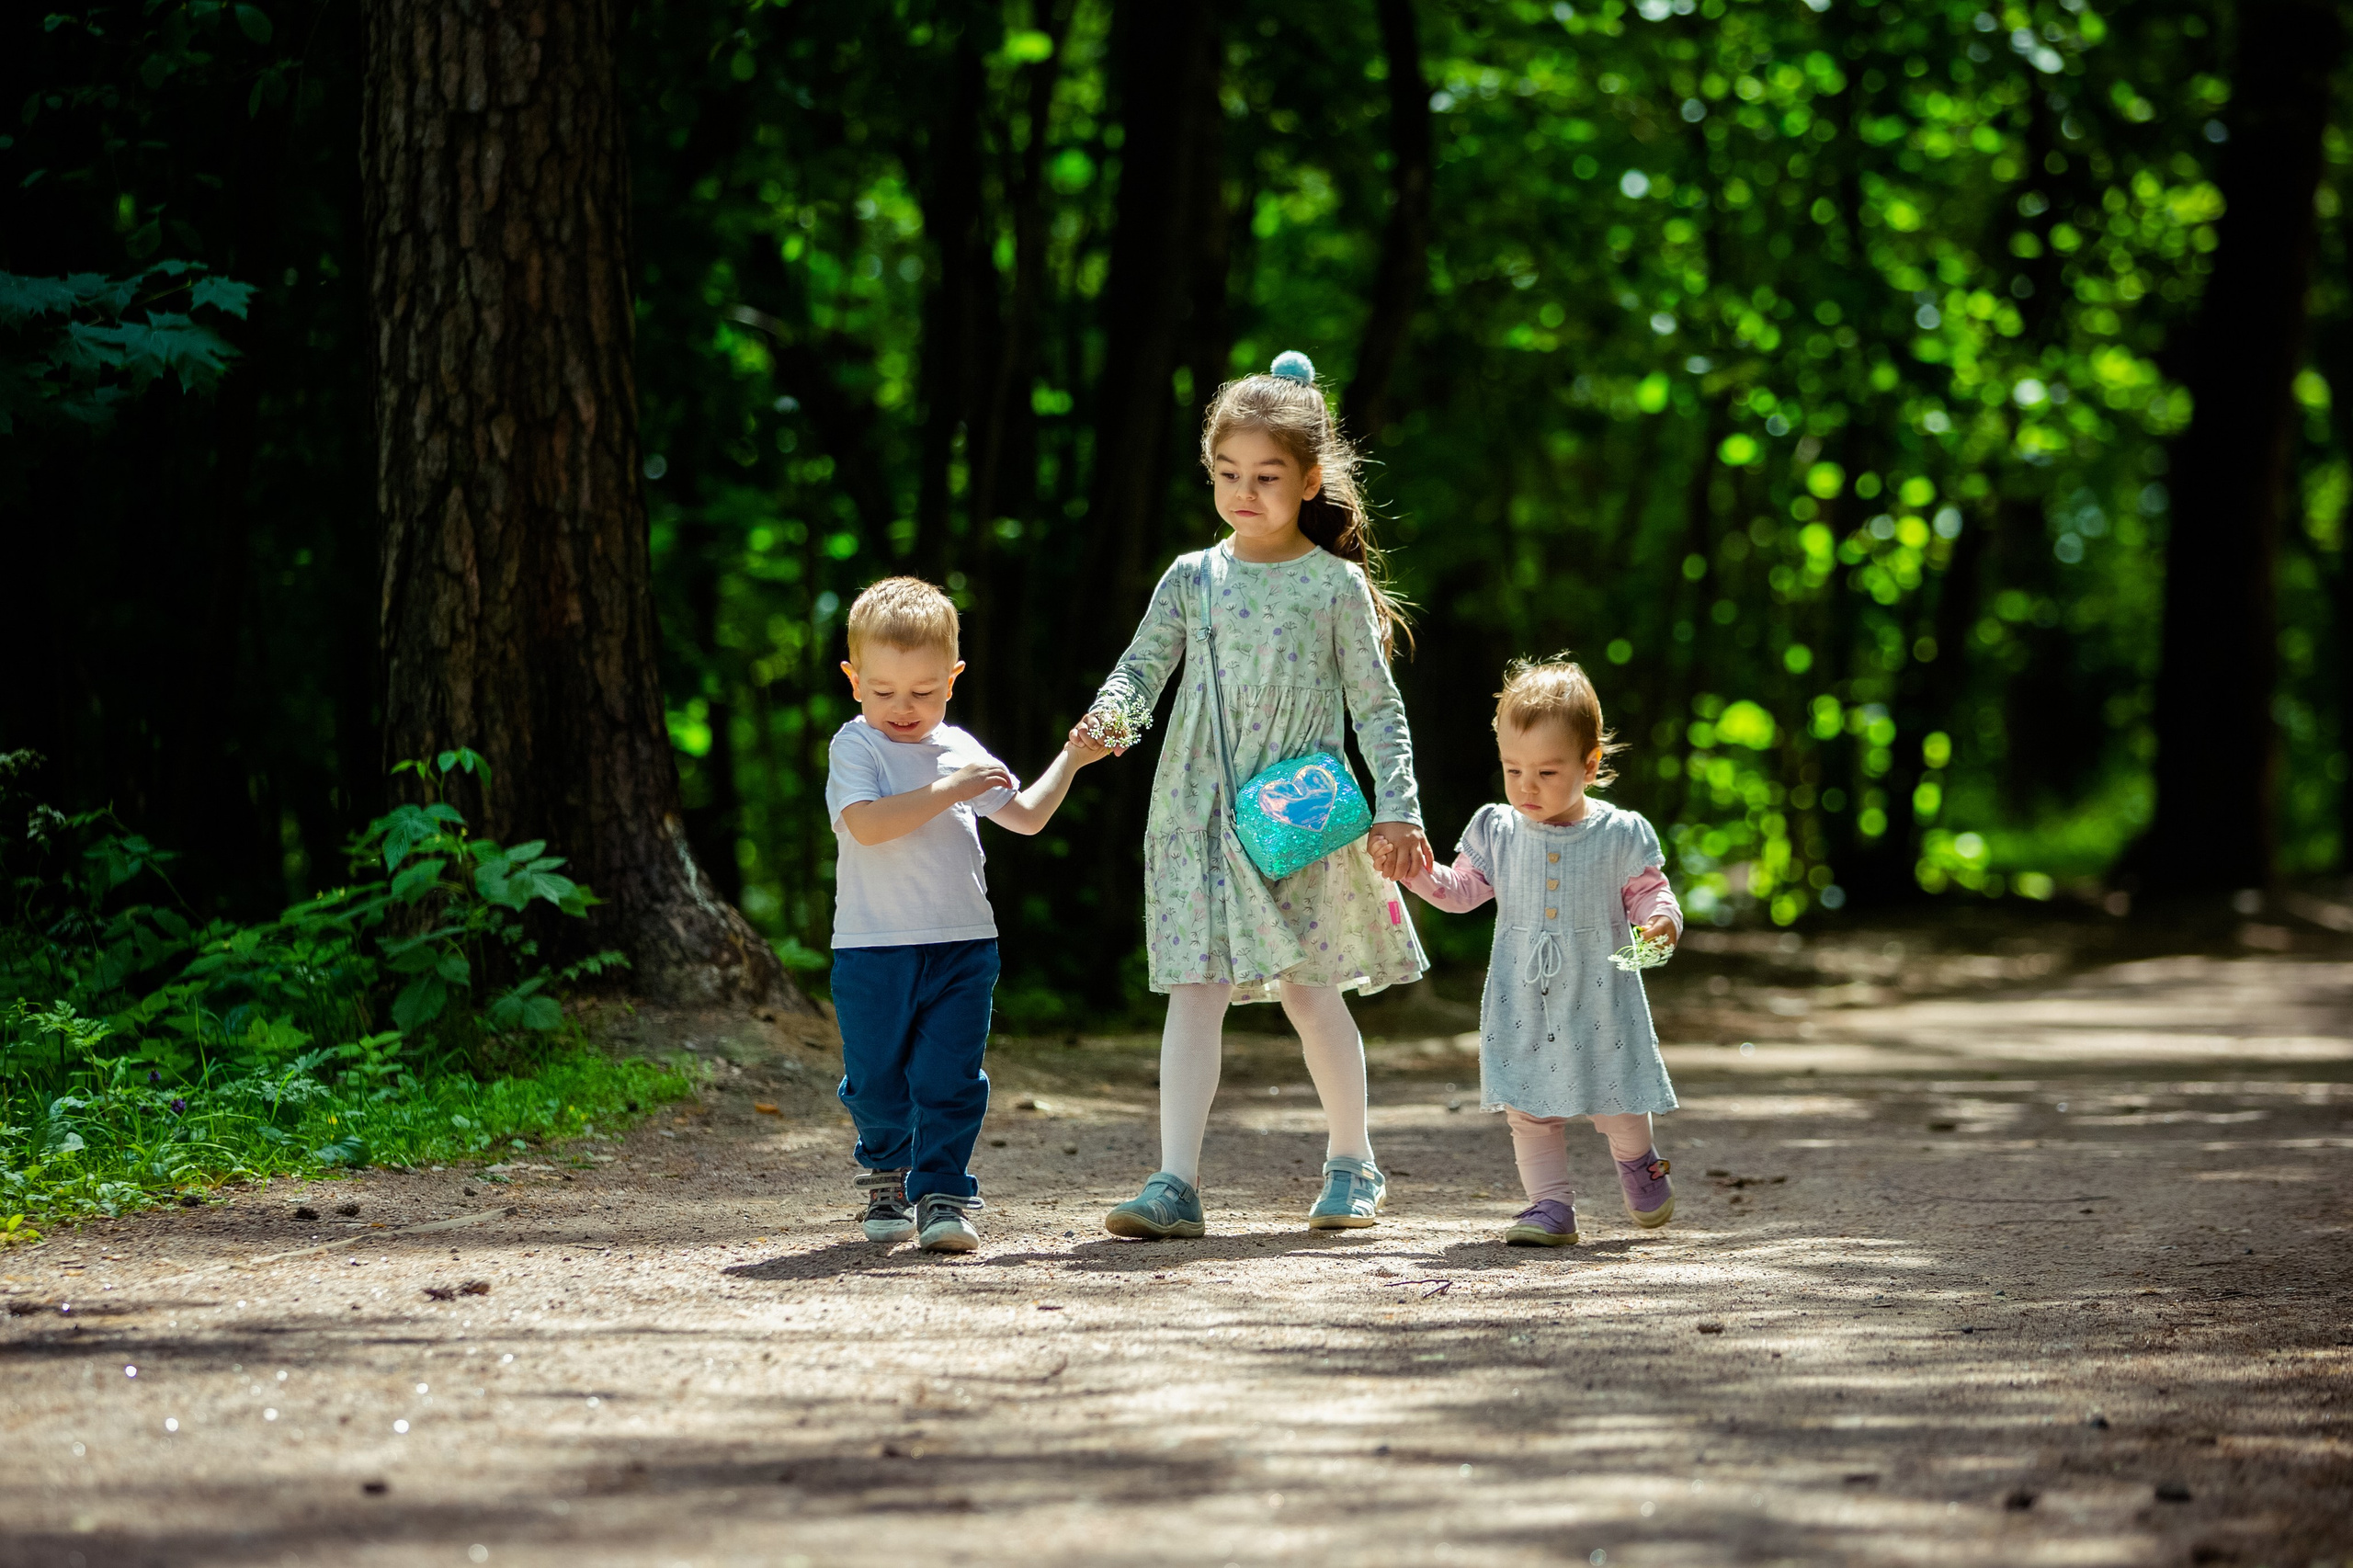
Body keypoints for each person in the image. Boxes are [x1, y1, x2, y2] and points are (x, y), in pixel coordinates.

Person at [1077, 351, 1434, 1241]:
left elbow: (1377, 708)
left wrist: (1400, 808)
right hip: (1197, 810)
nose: (1244, 490)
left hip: (1300, 818)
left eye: (1267, 476)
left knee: (1312, 992)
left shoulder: (1333, 584)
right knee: (1193, 987)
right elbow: (1141, 668)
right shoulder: (1192, 577)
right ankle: (1174, 1182)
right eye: (1227, 474)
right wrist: (1109, 718)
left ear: (1310, 480)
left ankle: (1352, 1161)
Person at [826, 576, 1106, 1253]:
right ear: (854, 679)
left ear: (952, 678)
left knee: (950, 1077)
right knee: (877, 1081)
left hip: (964, 945)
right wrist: (947, 789)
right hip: (872, 948)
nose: (903, 707)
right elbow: (866, 826)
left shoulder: (964, 749)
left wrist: (1073, 758)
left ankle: (945, 1195)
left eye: (923, 691)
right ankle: (886, 1171)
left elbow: (1028, 817)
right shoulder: (855, 746)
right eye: (884, 690)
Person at [1373, 658, 1682, 1246]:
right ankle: (1549, 1207)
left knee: (1615, 1101)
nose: (1526, 787)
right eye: (1513, 769)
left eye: (1546, 770)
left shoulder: (1620, 835)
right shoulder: (1497, 829)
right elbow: (1462, 893)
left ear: (1589, 766)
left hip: (1599, 995)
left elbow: (1649, 893)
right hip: (1525, 996)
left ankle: (1639, 1162)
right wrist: (1414, 874)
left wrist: (1661, 922)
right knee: (1529, 1109)